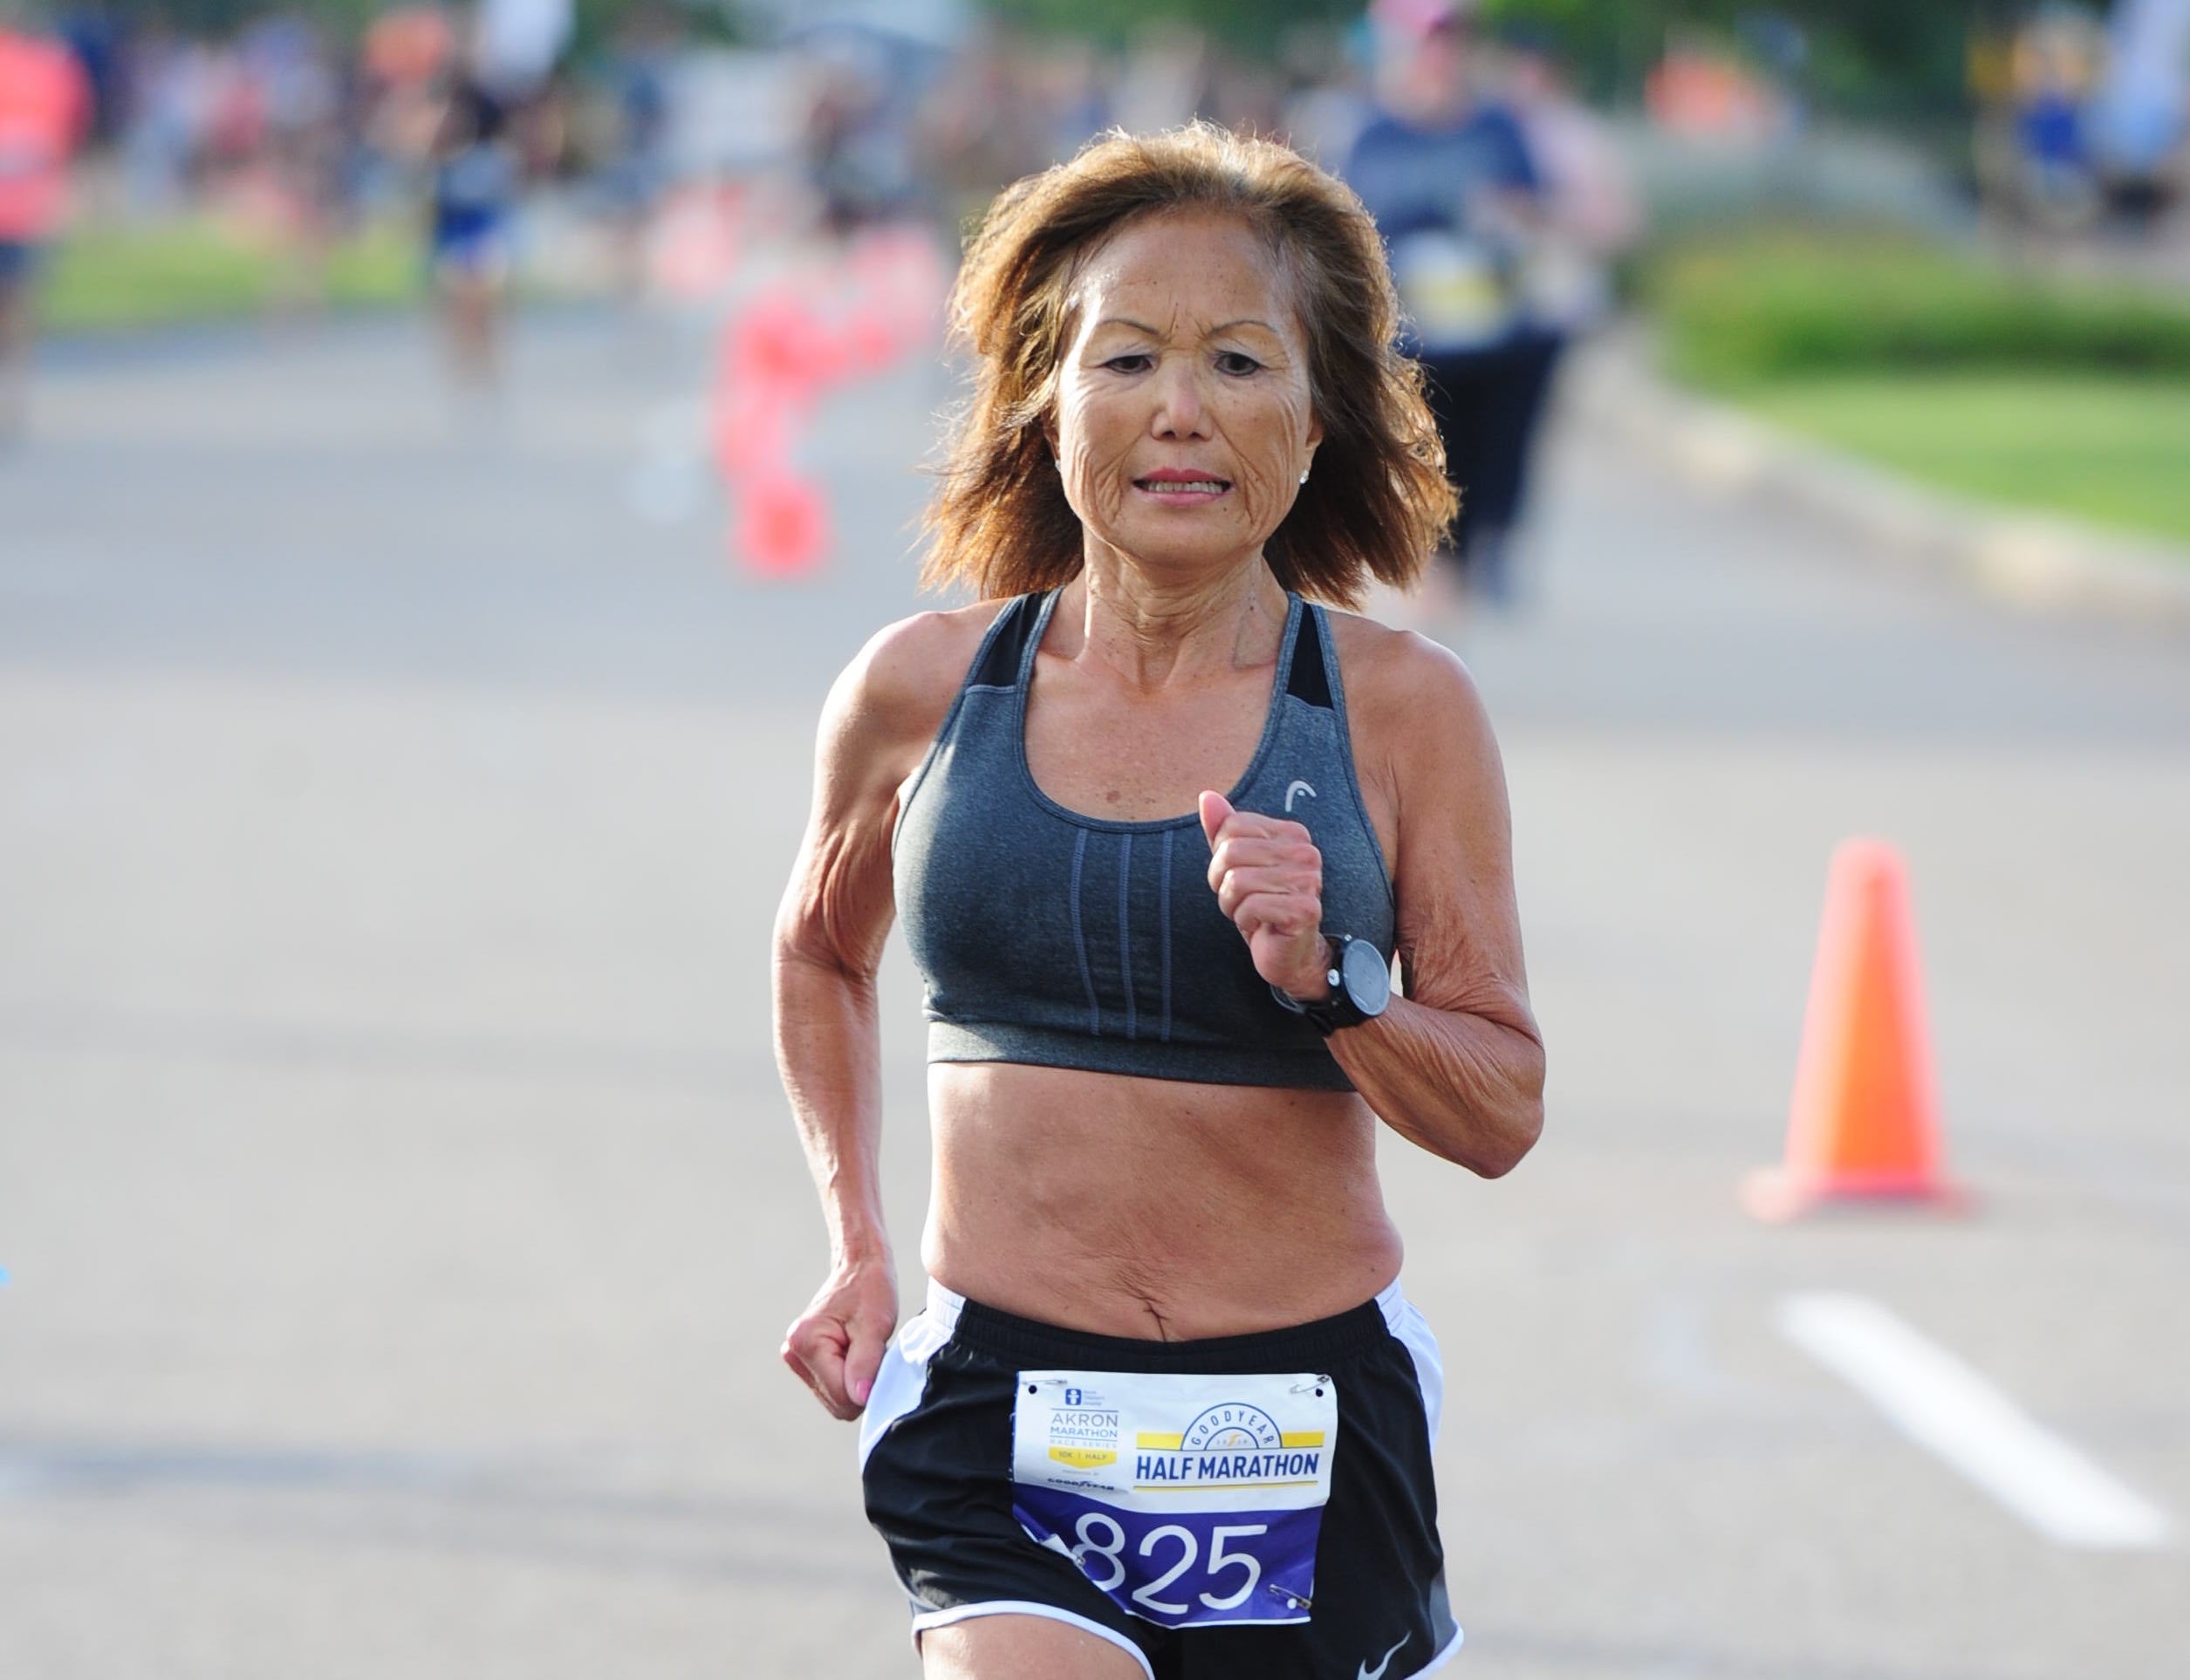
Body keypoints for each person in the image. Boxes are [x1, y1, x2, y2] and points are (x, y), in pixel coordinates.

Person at [772, 122, 1543, 1680]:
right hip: (1000, 1407)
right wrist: (856, 1240)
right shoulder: (919, 690)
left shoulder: (1401, 710)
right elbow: (819, 951)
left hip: (1305, 1416)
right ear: (1046, 400)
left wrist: (1333, 979)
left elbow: (1499, 1110)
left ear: (1316, 418)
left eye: (1239, 363)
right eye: (1126, 359)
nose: (1180, 410)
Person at [1344, 0, 1552, 613]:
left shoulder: (1497, 129)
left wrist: (1505, 216)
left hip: (1492, 320)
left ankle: (1487, 544)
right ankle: (1436, 561)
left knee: (1500, 437)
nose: (1441, 57)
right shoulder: (1375, 135)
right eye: (1430, 43)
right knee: (1427, 440)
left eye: (1452, 43)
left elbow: (1533, 210)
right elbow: (1349, 228)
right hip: (1413, 326)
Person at [0, 0, 90, 439]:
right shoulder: (54, 69)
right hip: (29, 207)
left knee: (17, 303)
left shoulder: (52, 70)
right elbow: (71, 133)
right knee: (18, 303)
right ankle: (13, 397)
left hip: (24, 206)